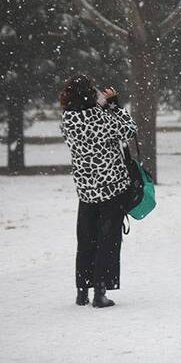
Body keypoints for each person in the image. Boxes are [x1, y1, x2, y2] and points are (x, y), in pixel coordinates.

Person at [59, 74, 137, 308]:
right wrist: (115, 105)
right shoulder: (103, 117)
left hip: (86, 190)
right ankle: (100, 292)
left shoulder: (68, 119)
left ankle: (82, 290)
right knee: (108, 239)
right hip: (111, 188)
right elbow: (129, 130)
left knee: (85, 239)